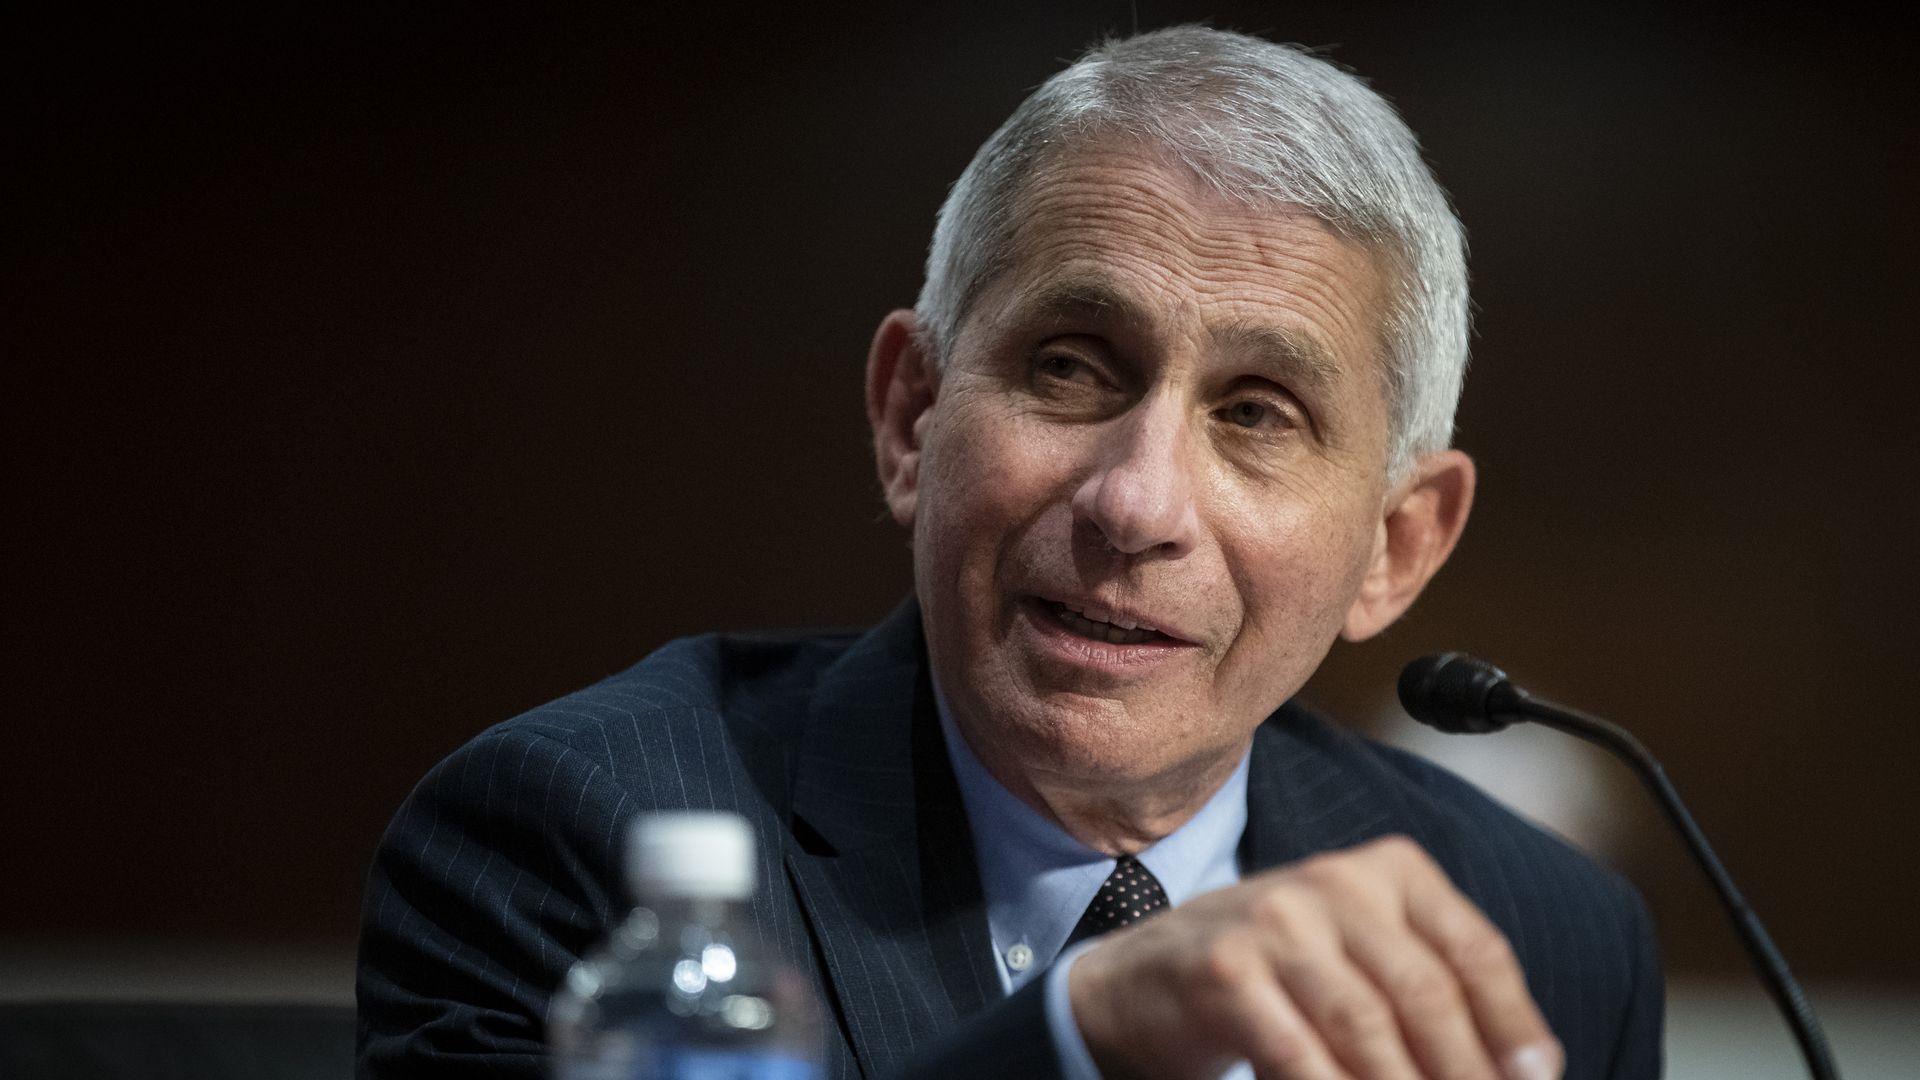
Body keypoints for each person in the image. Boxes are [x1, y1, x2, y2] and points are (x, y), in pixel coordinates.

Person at [356, 25, 1663, 1080]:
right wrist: (1081, 1041)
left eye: (1258, 413)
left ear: (1397, 544)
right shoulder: (562, 843)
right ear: (910, 417)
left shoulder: (1546, 935)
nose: (1137, 503)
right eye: (1071, 366)